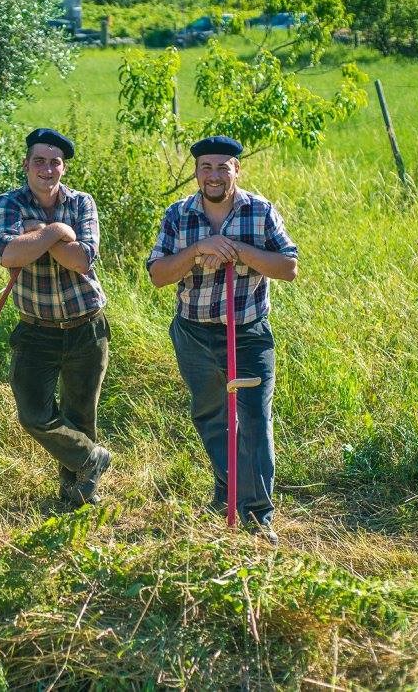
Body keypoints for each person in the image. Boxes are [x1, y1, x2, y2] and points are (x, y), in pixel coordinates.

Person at [147, 135, 298, 544]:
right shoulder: (178, 215)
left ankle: (258, 514)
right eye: (206, 167)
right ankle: (228, 491)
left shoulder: (260, 211)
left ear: (237, 170)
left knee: (254, 420)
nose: (214, 175)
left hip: (247, 332)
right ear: (196, 172)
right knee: (211, 416)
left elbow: (288, 267)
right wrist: (200, 249)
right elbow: (159, 275)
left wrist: (235, 250)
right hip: (193, 332)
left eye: (223, 167)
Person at [0, 128, 112, 506]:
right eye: (39, 161)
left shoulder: (82, 202)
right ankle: (93, 458)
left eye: (54, 162)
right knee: (33, 415)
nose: (47, 169)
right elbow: (9, 255)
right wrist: (57, 231)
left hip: (86, 325)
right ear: (26, 165)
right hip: (35, 329)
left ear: (63, 168)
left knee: (80, 416)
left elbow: (81, 260)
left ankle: (76, 495)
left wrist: (36, 235)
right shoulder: (8, 203)